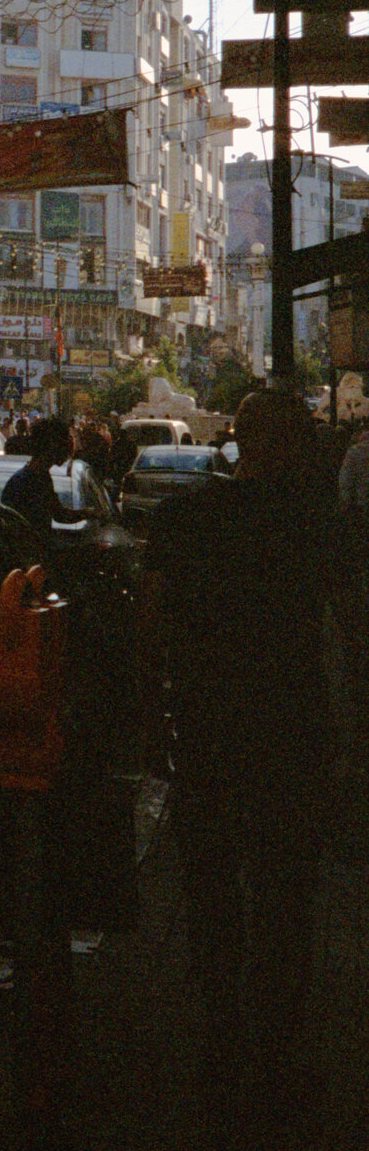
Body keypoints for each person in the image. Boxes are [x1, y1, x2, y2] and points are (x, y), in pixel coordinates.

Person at [143, 387, 360, 1113]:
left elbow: (155, 628)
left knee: (211, 894)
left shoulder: (184, 521)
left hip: (208, 736)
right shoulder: (319, 528)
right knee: (286, 901)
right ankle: (278, 1048)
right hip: (291, 737)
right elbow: (348, 634)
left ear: (237, 440)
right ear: (298, 446)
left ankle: (222, 1034)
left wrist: (157, 720)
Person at [0, 416, 72, 542]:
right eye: (65, 442)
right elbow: (59, 515)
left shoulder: (39, 477)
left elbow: (59, 514)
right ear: (52, 445)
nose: (69, 448)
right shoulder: (30, 482)